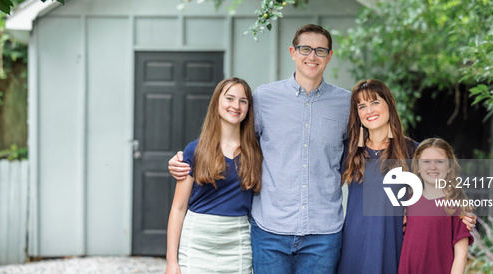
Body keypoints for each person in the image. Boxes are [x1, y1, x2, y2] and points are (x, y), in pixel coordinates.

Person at [170, 24, 351, 274]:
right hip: (269, 231)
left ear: (329, 56)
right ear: (292, 52)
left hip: (323, 233)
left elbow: (358, 158)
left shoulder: (346, 104)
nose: (312, 56)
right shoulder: (264, 98)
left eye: (320, 51)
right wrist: (186, 157)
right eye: (305, 49)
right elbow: (234, 138)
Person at [165, 77, 263, 274]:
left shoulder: (256, 152)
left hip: (237, 242)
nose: (236, 105)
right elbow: (178, 207)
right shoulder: (195, 150)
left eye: (243, 101)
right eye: (229, 98)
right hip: (197, 242)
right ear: (217, 102)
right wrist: (171, 261)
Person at [337, 79, 418, 273]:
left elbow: (439, 192)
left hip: (393, 243)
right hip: (355, 244)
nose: (369, 111)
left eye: (375, 102)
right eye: (362, 106)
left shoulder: (412, 150)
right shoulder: (349, 150)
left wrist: (461, 212)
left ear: (389, 103)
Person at [398, 138, 474, 274]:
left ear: (450, 166)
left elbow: (461, 255)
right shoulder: (408, 201)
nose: (432, 167)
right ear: (418, 167)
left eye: (439, 161)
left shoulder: (456, 204)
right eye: (426, 161)